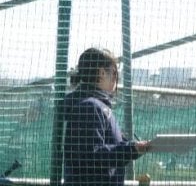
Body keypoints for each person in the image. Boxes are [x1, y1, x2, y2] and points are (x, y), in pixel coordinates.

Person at [62, 47, 150, 186]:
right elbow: (92, 155)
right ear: (102, 73)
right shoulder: (90, 107)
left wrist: (133, 148)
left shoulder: (96, 106)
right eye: (114, 73)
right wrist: (130, 149)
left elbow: (99, 150)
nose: (116, 78)